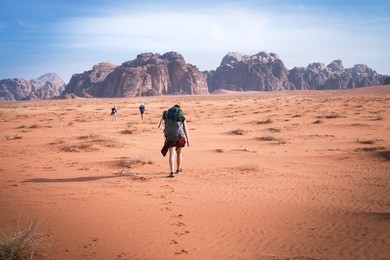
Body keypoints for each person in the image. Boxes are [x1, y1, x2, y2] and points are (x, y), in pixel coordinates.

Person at [160, 104, 190, 178]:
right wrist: (188, 140)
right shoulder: (181, 117)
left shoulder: (167, 116)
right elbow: (185, 129)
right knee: (179, 153)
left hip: (170, 137)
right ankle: (178, 169)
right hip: (180, 137)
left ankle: (171, 172)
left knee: (171, 155)